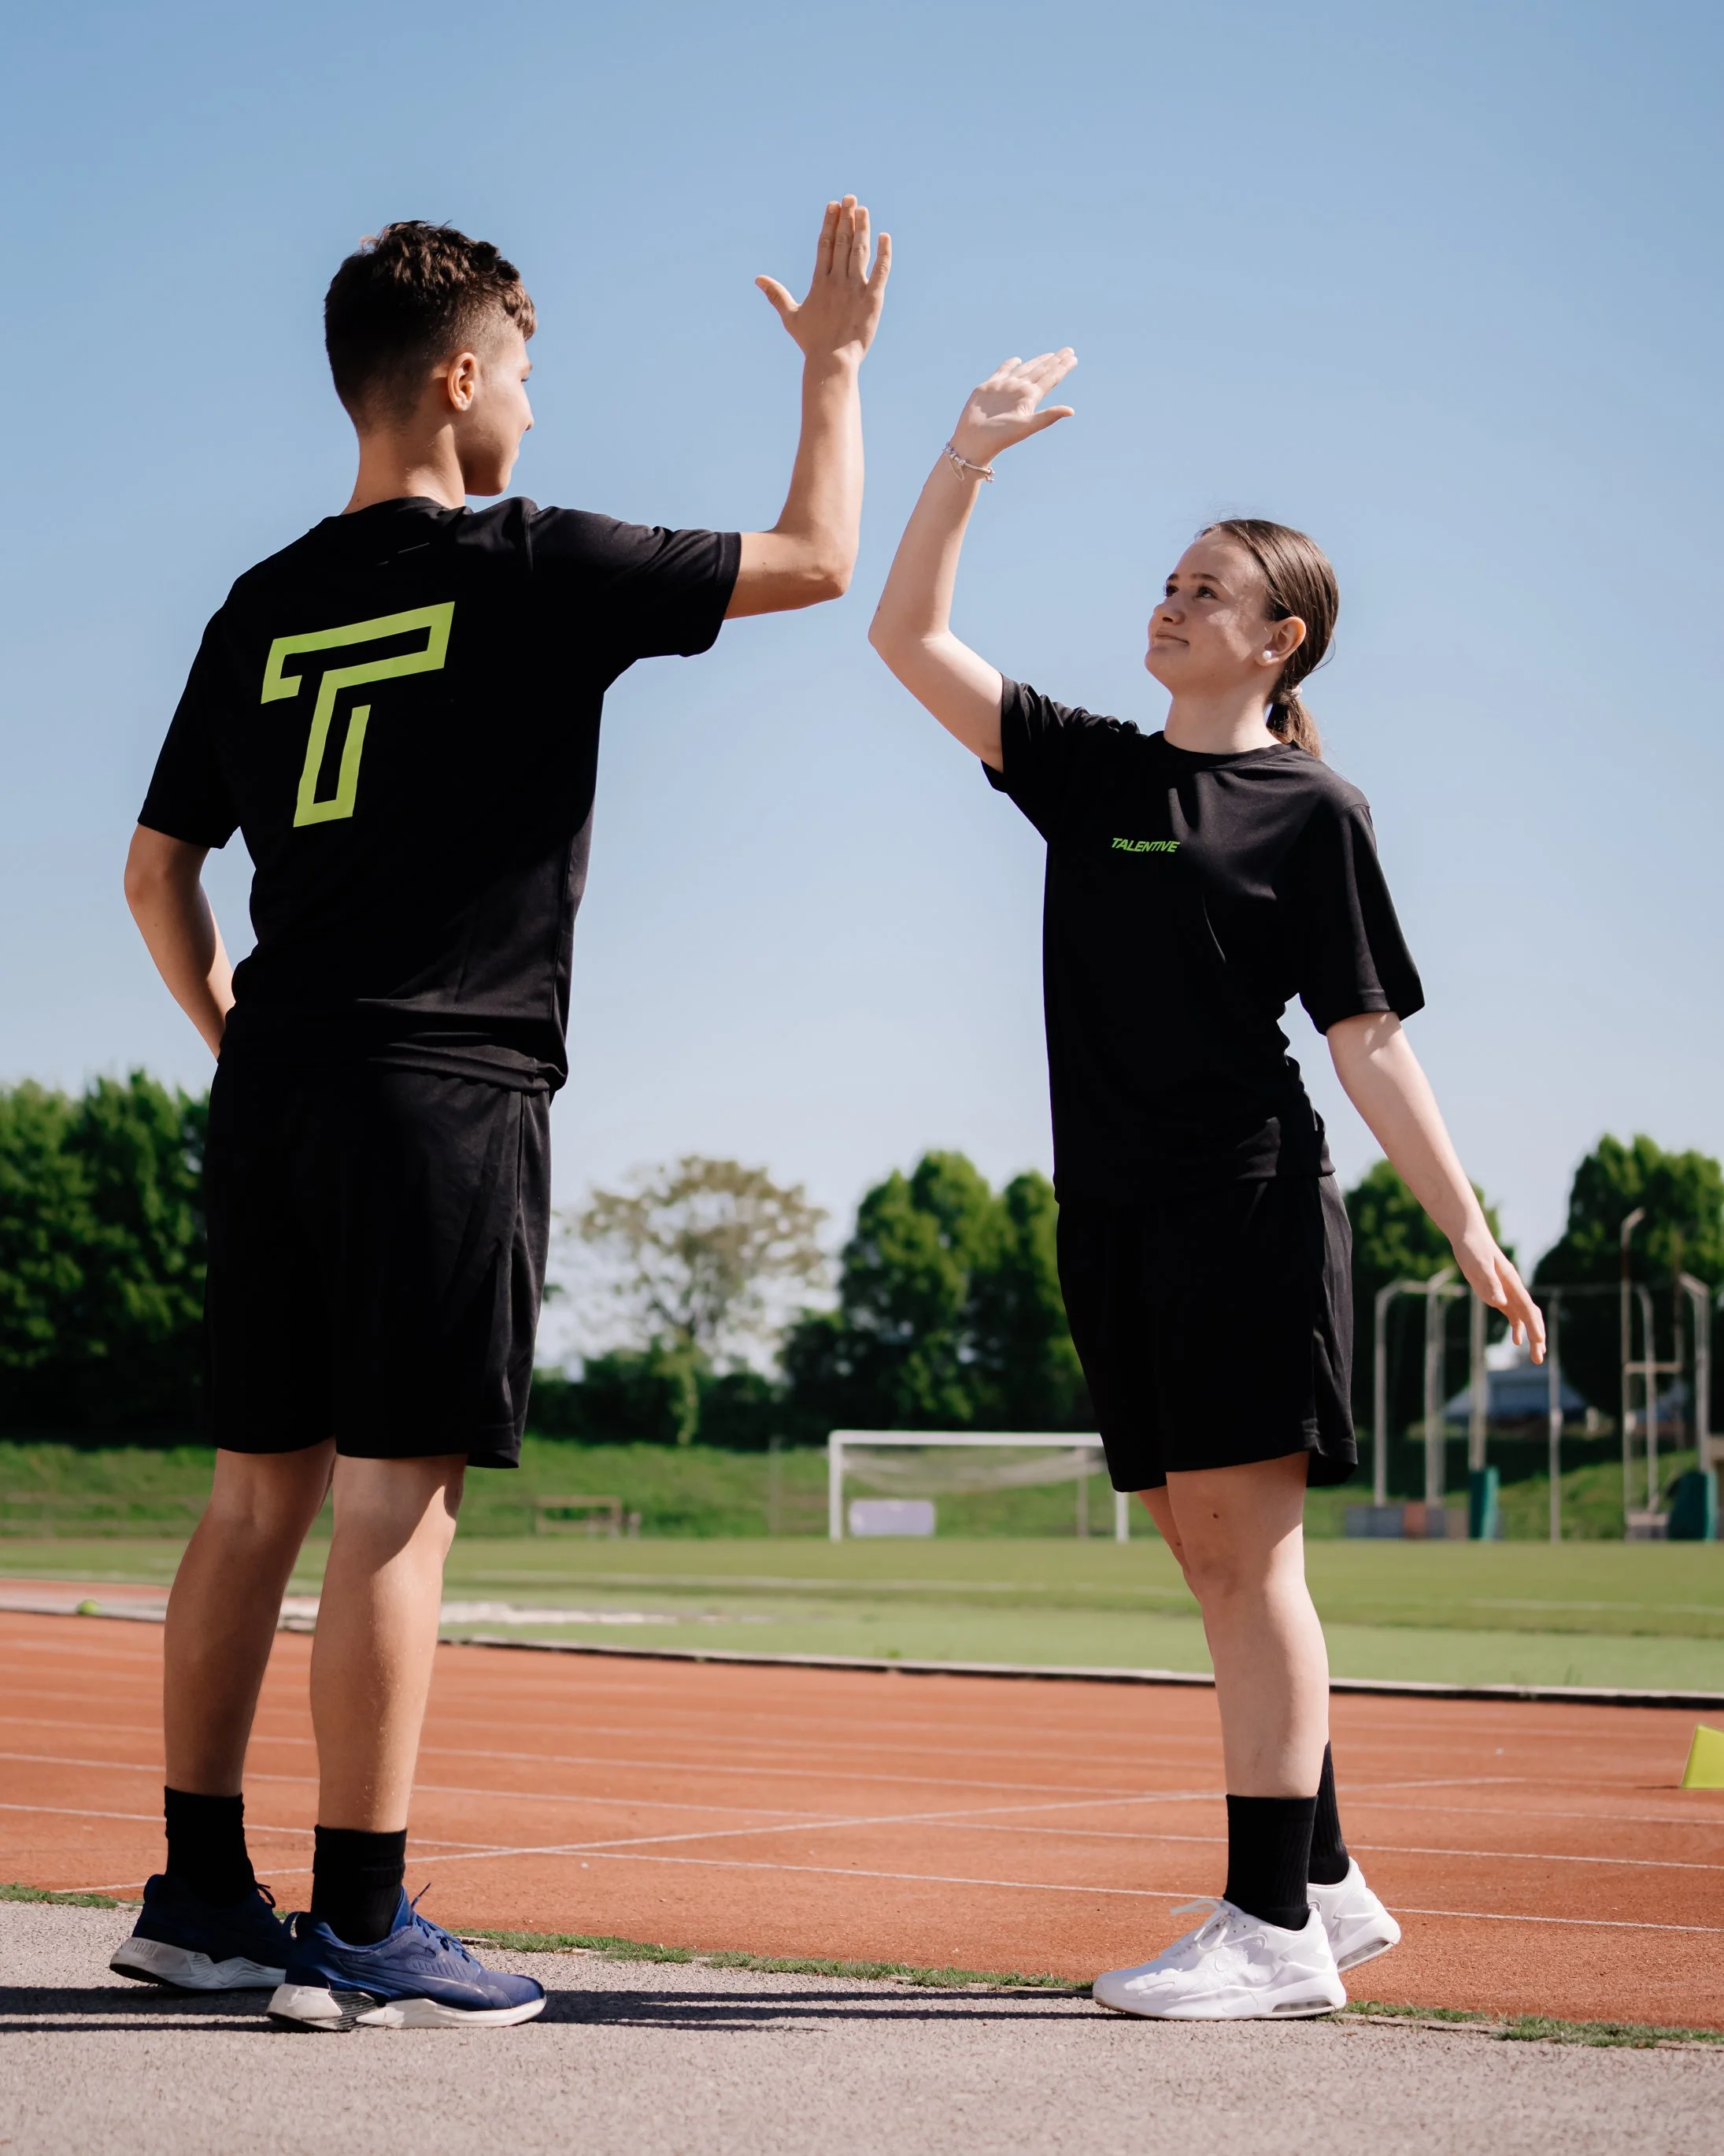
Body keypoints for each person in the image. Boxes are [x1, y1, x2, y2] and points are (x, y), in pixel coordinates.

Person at [113, 201, 890, 2032]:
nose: (536, 409)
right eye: (526, 374)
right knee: (399, 1498)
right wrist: (837, 368)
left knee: (251, 1500)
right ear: (459, 379)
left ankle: (200, 1895)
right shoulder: (530, 562)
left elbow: (155, 875)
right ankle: (364, 1922)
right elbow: (819, 557)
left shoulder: (260, 599)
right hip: (444, 1090)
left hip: (279, 1080)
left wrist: (235, 1035)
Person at [867, 351, 1544, 2021]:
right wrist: (965, 459)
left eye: (1208, 591)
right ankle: (1324, 1877)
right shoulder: (1093, 772)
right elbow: (907, 640)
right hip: (1107, 1218)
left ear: (1279, 640)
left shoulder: (1312, 810)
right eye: (1167, 581)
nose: (1169, 603)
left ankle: (1271, 1936)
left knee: (1255, 1568)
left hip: (1243, 1209)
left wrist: (1465, 1225)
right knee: (1207, 1554)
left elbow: (1370, 1043)